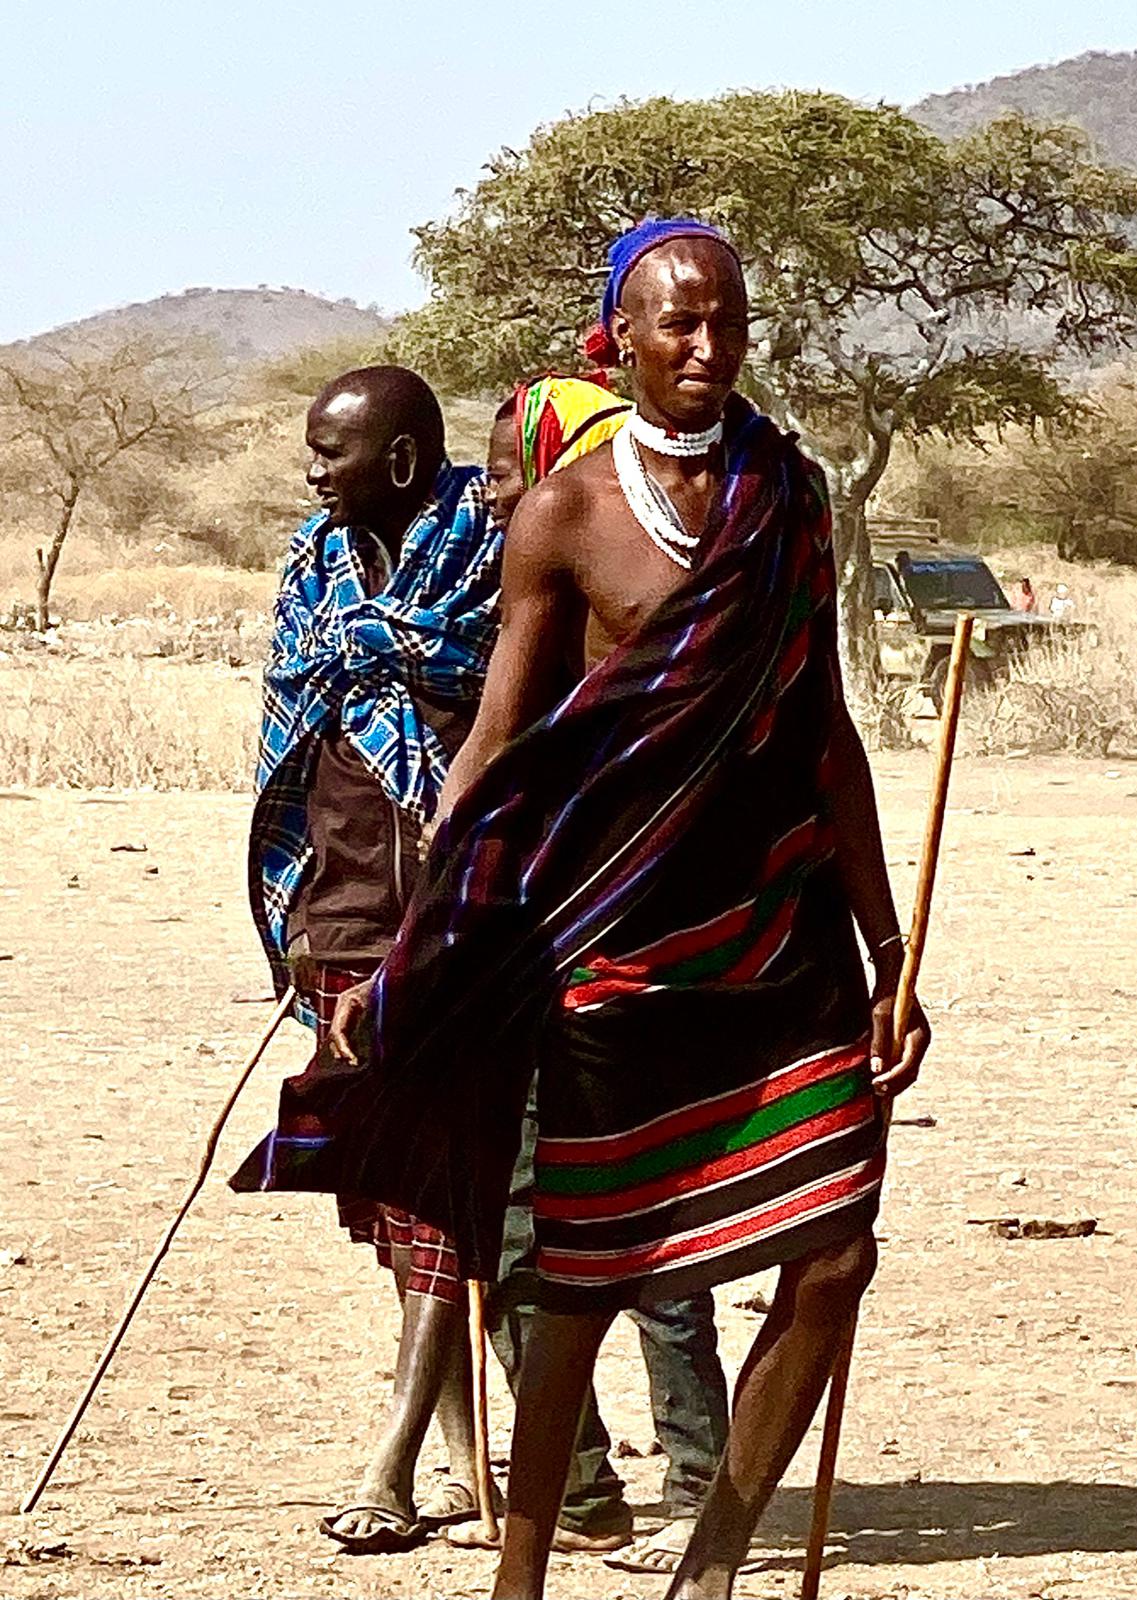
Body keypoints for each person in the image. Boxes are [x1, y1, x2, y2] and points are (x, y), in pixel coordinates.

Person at [257, 219, 930, 1600]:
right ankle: (523, 1574)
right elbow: (499, 739)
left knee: (838, 1249)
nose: (707, 348)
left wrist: (887, 944)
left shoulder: (788, 496)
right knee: (579, 1273)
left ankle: (717, 1565)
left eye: (728, 321)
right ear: (619, 341)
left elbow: (826, 728)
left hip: (778, 934)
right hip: (612, 942)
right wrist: (424, 950)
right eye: (678, 325)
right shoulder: (567, 513)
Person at [235, 365, 503, 1553]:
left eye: (329, 453)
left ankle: (390, 1466)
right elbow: (287, 760)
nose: (311, 473)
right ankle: (461, 1462)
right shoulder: (314, 572)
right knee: (387, 1189)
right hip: (337, 911)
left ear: (398, 463)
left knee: (440, 1184)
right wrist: (295, 926)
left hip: (454, 923)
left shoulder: (497, 563)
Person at [474, 375, 731, 1576]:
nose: (497, 497)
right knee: (546, 1224)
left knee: (609, 1226)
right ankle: (584, 1486)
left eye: (509, 473)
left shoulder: (614, 583)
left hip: (619, 936)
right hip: (537, 934)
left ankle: (666, 1486)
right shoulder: (523, 585)